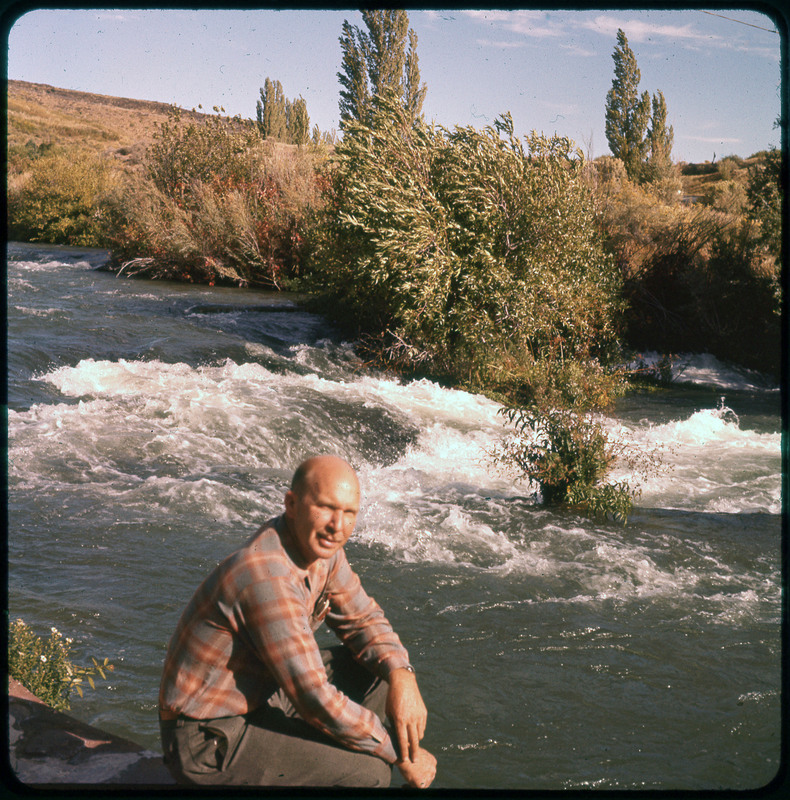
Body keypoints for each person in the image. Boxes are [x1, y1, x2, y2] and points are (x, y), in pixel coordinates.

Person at [158, 455, 437, 788]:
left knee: (379, 674)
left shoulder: (323, 552)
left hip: (262, 696)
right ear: (291, 503)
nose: (337, 526)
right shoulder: (266, 575)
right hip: (207, 739)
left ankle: (319, 757)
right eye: (325, 508)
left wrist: (402, 674)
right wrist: (401, 755)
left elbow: (364, 619)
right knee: (370, 772)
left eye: (349, 513)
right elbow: (312, 697)